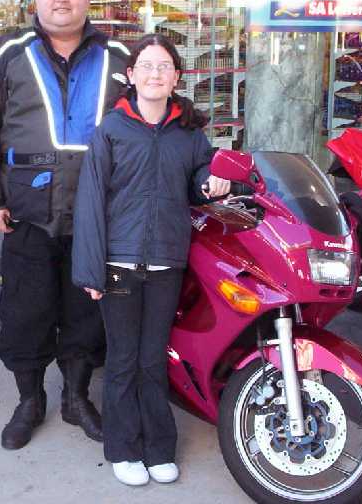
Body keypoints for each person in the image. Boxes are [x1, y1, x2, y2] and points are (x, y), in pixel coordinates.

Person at [0, 0, 129, 450]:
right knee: (25, 310)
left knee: (86, 309)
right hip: (25, 212)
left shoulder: (122, 58)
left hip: (96, 213)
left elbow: (151, 123)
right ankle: (29, 401)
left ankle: (76, 398)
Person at [71, 33, 230, 487]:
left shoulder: (189, 133)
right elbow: (91, 199)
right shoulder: (112, 129)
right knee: (123, 360)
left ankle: (159, 448)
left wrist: (213, 181)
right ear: (131, 75)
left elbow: (200, 177)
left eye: (164, 67)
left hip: (166, 262)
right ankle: (123, 449)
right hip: (118, 265)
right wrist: (90, 269)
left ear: (176, 76)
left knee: (153, 360)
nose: (155, 74)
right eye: (147, 65)